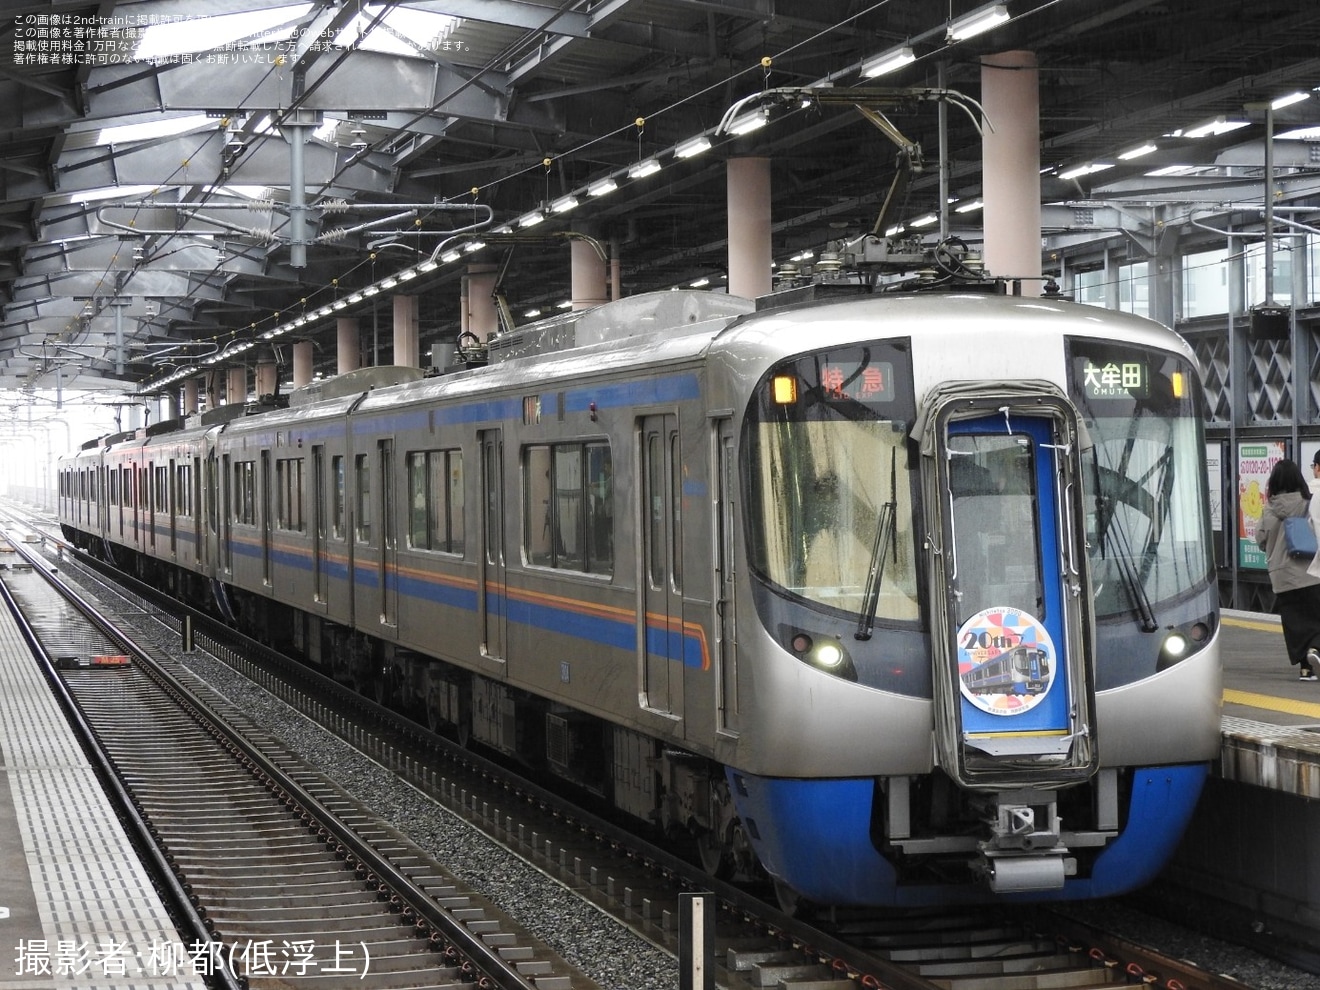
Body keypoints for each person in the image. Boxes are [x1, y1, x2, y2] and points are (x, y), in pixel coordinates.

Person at [1256, 459, 1320, 679]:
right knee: (1316, 615)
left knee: (1294, 623)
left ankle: (1305, 668)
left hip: (1282, 576)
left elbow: (1261, 539)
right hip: (1311, 571)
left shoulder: (1269, 509)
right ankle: (1315, 649)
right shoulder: (1309, 503)